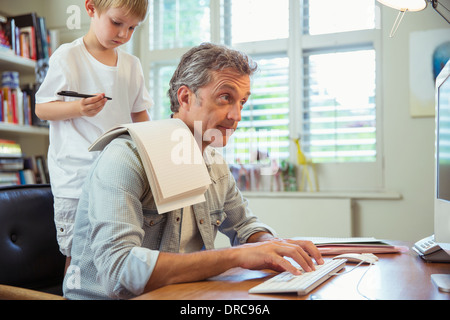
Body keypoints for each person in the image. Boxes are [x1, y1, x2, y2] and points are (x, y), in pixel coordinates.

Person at [63, 43, 323, 300]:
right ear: (185, 97)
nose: (237, 115)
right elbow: (119, 272)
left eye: (242, 102)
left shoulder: (214, 162)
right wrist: (236, 257)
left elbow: (244, 226)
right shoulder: (124, 157)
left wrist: (269, 245)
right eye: (226, 98)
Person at [34, 0, 152, 269]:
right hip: (75, 179)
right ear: (91, 9)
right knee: (77, 255)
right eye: (117, 23)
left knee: (118, 251)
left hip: (119, 178)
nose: (124, 34)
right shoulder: (68, 56)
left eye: (133, 27)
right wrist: (78, 108)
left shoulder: (131, 66)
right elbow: (42, 109)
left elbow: (140, 117)